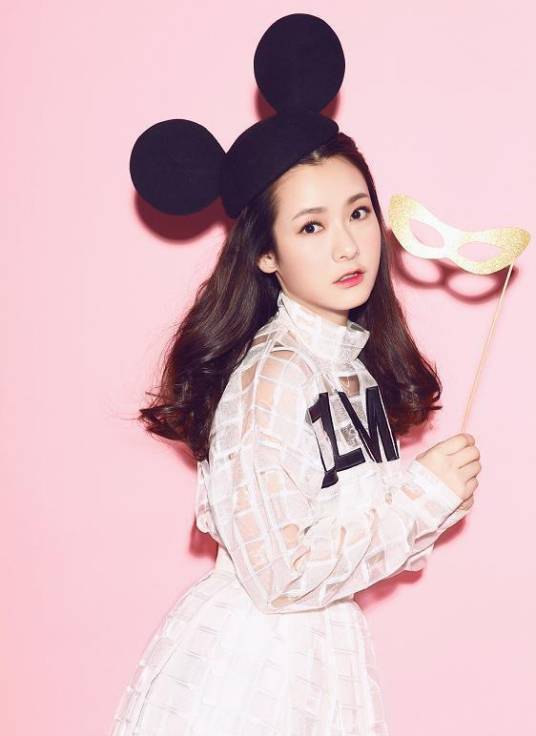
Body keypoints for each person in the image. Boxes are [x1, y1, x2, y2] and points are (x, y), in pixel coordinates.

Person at [109, 132, 481, 736]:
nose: (347, 245)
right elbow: (281, 576)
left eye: (358, 213)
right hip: (256, 667)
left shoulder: (348, 367)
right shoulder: (274, 376)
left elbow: (364, 540)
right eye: (311, 226)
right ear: (266, 253)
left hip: (321, 654)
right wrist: (422, 499)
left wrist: (436, 497)